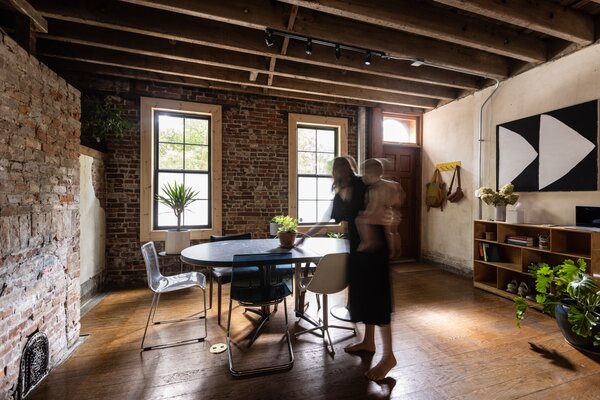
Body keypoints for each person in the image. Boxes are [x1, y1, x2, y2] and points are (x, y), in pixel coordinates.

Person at [296, 155, 396, 382]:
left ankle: (389, 356)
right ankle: (369, 342)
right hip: (358, 250)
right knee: (364, 298)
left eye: (342, 168)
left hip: (375, 249)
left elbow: (385, 193)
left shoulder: (363, 183)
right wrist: (304, 237)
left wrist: (391, 228)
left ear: (348, 169)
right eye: (337, 168)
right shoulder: (340, 194)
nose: (339, 172)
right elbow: (324, 220)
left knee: (378, 300)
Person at [355, 158, 405, 259]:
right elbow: (400, 199)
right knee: (393, 232)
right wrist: (395, 209)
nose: (364, 177)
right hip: (391, 214)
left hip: (379, 216)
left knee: (360, 220)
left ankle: (368, 241)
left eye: (364, 174)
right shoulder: (392, 184)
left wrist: (366, 214)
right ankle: (397, 249)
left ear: (370, 174)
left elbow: (374, 205)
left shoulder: (375, 189)